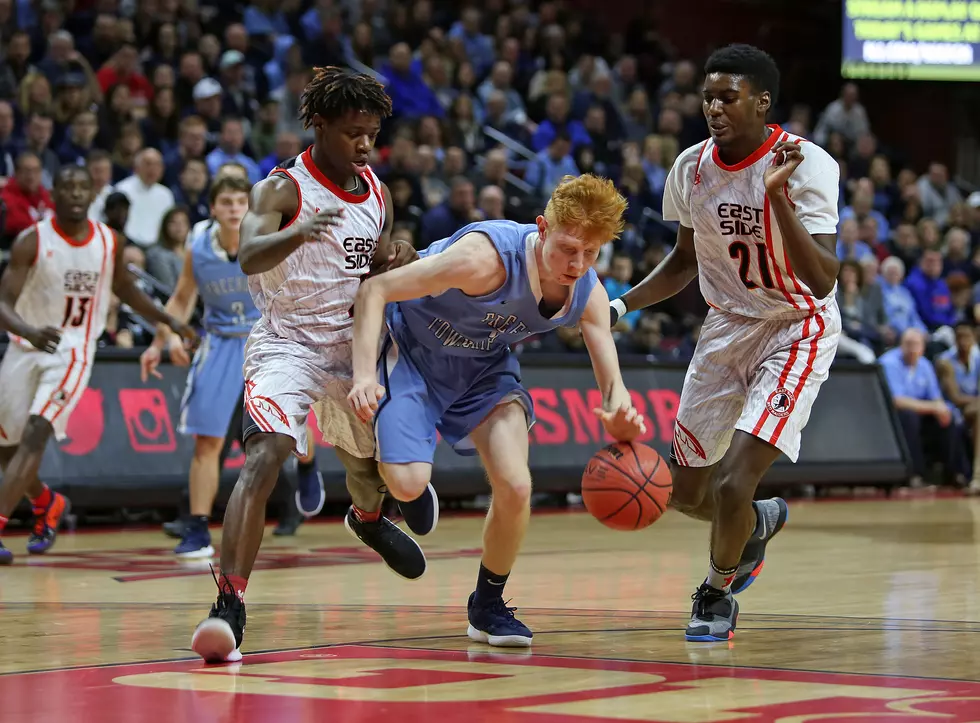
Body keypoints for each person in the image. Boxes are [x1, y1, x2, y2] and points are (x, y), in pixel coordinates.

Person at [190, 67, 430, 664]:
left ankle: (368, 518)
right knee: (265, 455)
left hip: (353, 346)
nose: (366, 145)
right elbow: (247, 255)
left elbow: (374, 269)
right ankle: (229, 603)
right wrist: (298, 234)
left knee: (371, 467)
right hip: (287, 345)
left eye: (372, 133)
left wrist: (394, 257)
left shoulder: (378, 192)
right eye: (354, 133)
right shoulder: (281, 190)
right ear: (319, 125)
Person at [347, 174, 647, 648]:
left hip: (484, 369)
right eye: (569, 248)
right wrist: (364, 375)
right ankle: (398, 492)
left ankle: (487, 605)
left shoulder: (585, 289)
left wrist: (619, 413)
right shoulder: (483, 260)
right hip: (413, 352)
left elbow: (612, 381)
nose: (578, 264)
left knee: (516, 485)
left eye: (590, 254)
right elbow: (375, 291)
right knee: (406, 480)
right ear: (541, 228)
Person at [609, 44, 842, 641]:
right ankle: (755, 524)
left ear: (761, 103)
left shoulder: (808, 162)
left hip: (795, 325)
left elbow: (821, 277)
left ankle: (715, 592)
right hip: (724, 327)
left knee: (735, 481)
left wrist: (776, 195)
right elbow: (685, 260)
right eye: (707, 96)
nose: (714, 107)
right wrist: (620, 305)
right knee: (687, 493)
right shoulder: (690, 168)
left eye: (727, 97)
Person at [0, 165, 197, 563]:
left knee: (37, 433)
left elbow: (126, 291)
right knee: (6, 447)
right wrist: (30, 330)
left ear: (92, 195)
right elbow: (3, 302)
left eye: (82, 187)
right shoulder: (31, 241)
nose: (74, 193)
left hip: (73, 349)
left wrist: (170, 320)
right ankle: (47, 503)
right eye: (67, 185)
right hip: (26, 345)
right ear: (53, 193)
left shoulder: (109, 242)